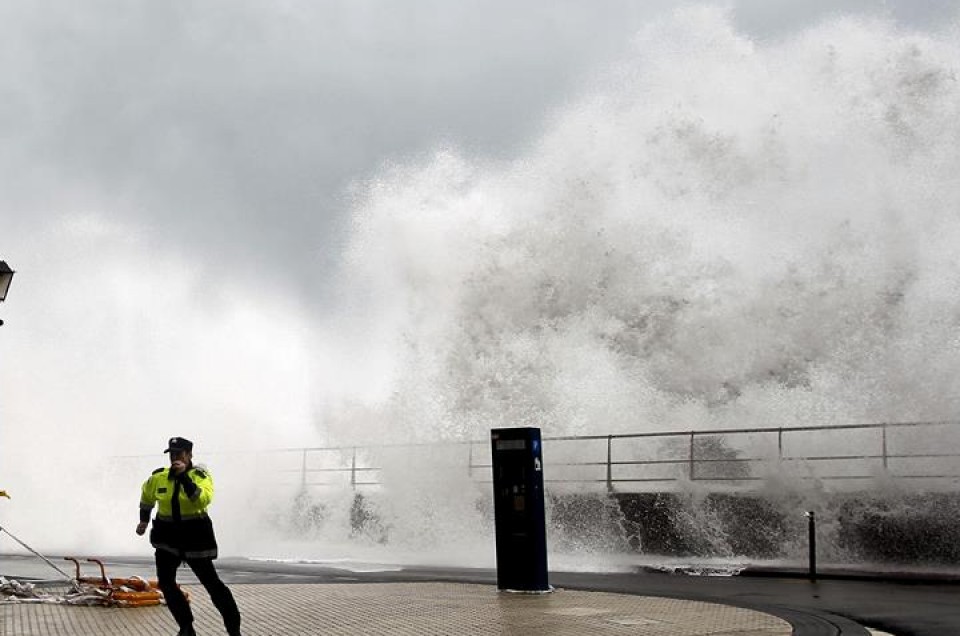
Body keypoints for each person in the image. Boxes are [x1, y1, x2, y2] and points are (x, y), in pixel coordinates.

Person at [136, 437, 242, 636]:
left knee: (213, 585)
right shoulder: (158, 477)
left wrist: (184, 477)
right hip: (167, 541)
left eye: (179, 454)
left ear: (189, 455)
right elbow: (146, 497)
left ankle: (234, 630)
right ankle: (186, 627)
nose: (175, 458)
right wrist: (143, 520)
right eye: (172, 454)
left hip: (196, 540)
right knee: (166, 583)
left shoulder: (200, 476)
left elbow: (201, 500)